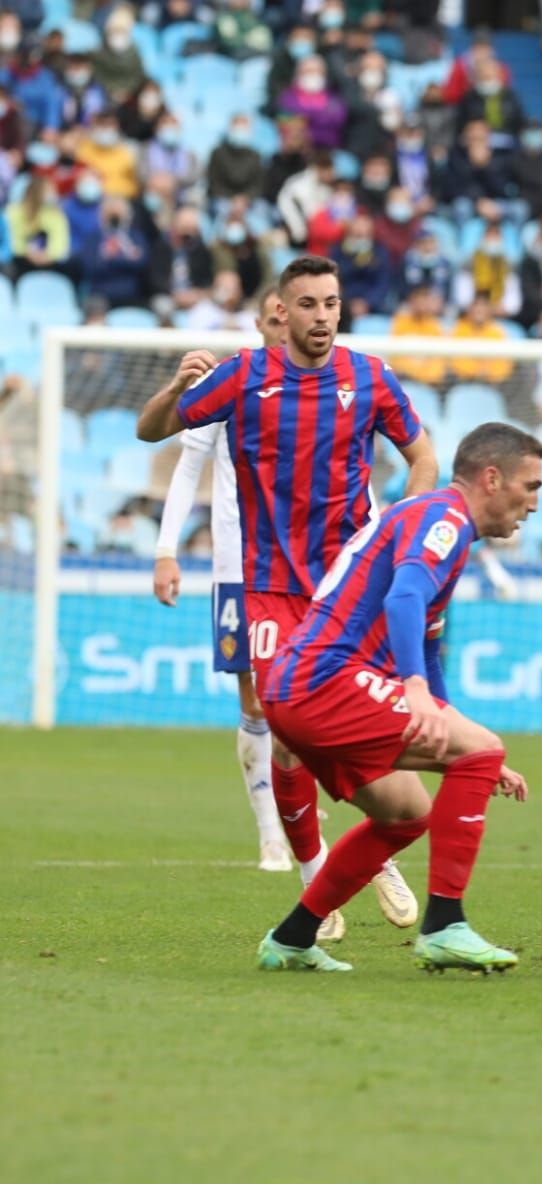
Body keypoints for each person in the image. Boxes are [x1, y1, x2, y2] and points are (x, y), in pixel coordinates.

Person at [134, 255, 439, 942]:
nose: (322, 316)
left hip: (347, 592)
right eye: (308, 304)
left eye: (331, 303)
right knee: (289, 729)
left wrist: (401, 524)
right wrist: (175, 386)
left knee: (353, 733)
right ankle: (314, 878)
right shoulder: (244, 376)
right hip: (265, 586)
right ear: (282, 311)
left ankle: (361, 853)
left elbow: (424, 455)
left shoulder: (368, 377)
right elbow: (152, 432)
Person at [256, 424, 542, 973]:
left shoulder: (436, 523)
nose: (533, 503)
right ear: (491, 478)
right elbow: (406, 596)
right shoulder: (445, 520)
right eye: (529, 486)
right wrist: (416, 693)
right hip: (324, 681)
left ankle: (290, 939)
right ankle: (444, 926)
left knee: (407, 815)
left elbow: (429, 643)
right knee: (481, 750)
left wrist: (463, 743)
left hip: (298, 689)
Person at [151, 291, 292, 870]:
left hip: (310, 570)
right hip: (238, 569)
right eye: (277, 315)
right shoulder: (231, 383)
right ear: (259, 324)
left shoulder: (335, 389)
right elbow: (188, 470)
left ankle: (302, 807)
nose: (288, 324)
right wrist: (166, 551)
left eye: (300, 312)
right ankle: (269, 833)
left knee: (308, 700)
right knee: (255, 699)